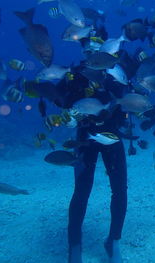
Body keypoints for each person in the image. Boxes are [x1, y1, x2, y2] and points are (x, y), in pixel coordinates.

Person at [54, 67, 129, 263]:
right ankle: (75, 246)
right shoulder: (76, 75)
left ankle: (113, 242)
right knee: (81, 190)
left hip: (111, 137)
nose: (93, 51)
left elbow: (126, 101)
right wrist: (67, 113)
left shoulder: (115, 72)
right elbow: (59, 98)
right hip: (84, 138)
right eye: (87, 46)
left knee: (120, 189)